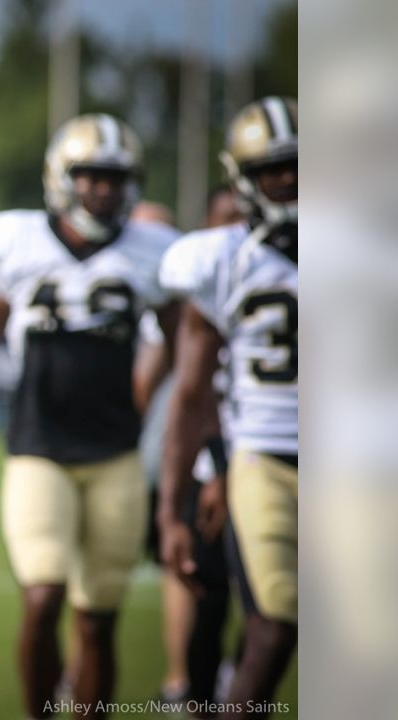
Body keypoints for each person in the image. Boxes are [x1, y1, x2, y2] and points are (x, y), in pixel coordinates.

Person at [0, 114, 180, 719]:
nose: (104, 190)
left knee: (98, 622)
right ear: (62, 178)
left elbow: (185, 352)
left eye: (116, 178)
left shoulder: (151, 253)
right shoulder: (19, 244)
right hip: (38, 449)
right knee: (42, 597)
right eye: (91, 177)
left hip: (117, 454)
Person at [158, 96, 298, 719]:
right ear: (244, 178)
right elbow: (190, 394)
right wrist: (170, 511)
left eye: (299, 164)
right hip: (263, 456)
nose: (290, 179)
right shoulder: (222, 260)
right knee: (275, 622)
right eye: (274, 168)